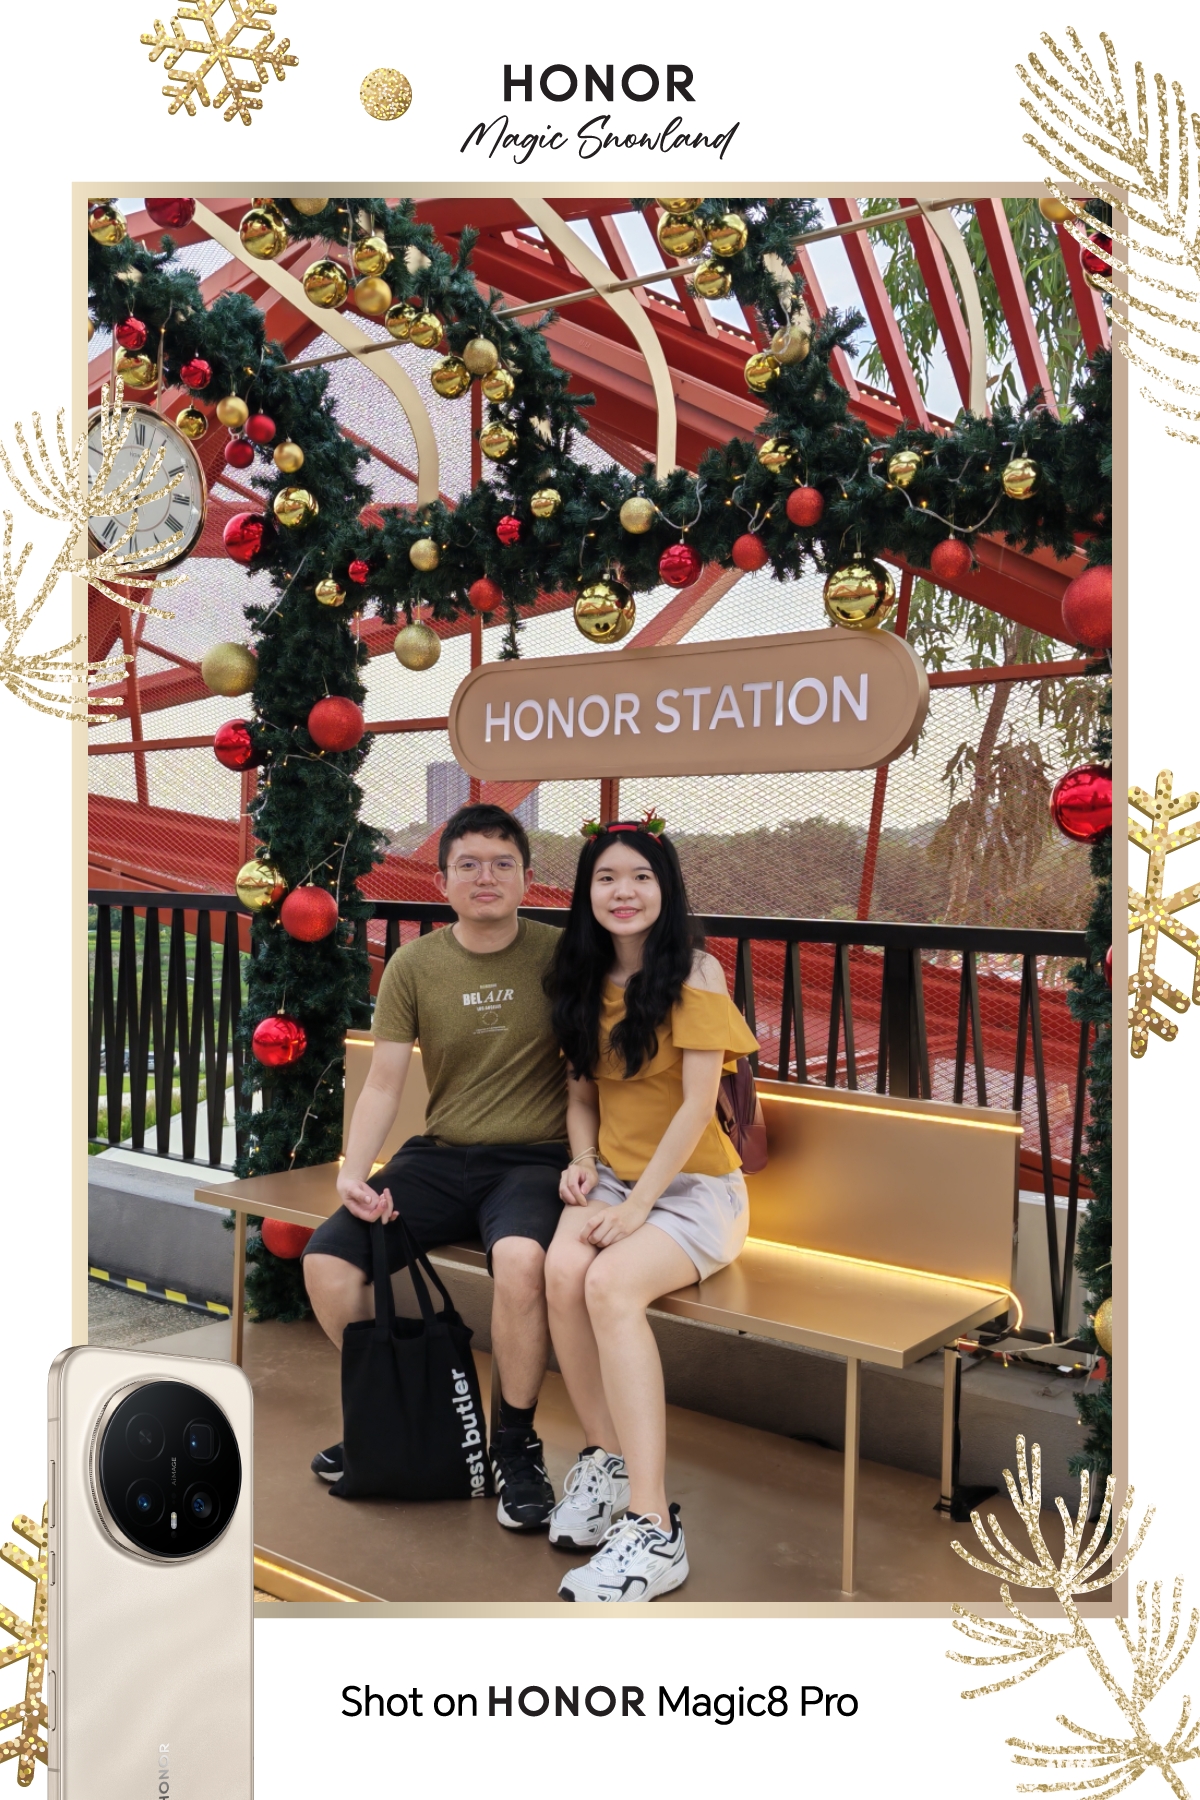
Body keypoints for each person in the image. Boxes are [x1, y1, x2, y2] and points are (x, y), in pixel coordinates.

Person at [301, 803, 567, 1532]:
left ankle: (513, 1445)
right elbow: (385, 1083)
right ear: (443, 881)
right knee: (327, 1263)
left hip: (534, 1160)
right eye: (468, 864)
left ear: (527, 879)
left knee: (521, 1263)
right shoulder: (415, 964)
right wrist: (354, 1172)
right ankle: (407, 1416)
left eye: (503, 864)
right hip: (441, 1155)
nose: (487, 877)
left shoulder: (562, 954)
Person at [542, 817, 758, 1601]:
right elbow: (581, 1098)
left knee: (608, 1285)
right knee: (560, 1272)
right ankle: (605, 1460)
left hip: (697, 1190)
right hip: (613, 1178)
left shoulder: (695, 972)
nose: (623, 891)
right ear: (587, 892)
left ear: (665, 889)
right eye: (606, 878)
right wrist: (582, 1163)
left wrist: (637, 1209)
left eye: (640, 876)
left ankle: (653, 1527)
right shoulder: (579, 974)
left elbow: (699, 1106)